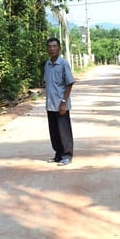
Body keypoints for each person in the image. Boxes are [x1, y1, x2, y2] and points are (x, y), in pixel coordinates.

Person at [43, 37, 75, 166]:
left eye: (54, 46)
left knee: (64, 131)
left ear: (59, 48)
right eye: (50, 46)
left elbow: (69, 83)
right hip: (50, 105)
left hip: (61, 104)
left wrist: (63, 102)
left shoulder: (63, 64)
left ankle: (67, 155)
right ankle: (58, 154)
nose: (52, 48)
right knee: (54, 132)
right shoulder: (47, 65)